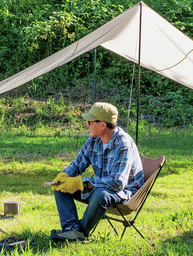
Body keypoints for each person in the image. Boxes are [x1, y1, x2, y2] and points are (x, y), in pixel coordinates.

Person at [50, 102, 145, 243]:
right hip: (101, 187)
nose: (87, 125)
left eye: (90, 122)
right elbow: (78, 163)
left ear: (102, 125)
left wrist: (82, 183)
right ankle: (71, 229)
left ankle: (78, 233)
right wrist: (64, 176)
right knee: (60, 186)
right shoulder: (94, 139)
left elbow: (118, 183)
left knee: (100, 194)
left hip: (126, 193)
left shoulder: (123, 144)